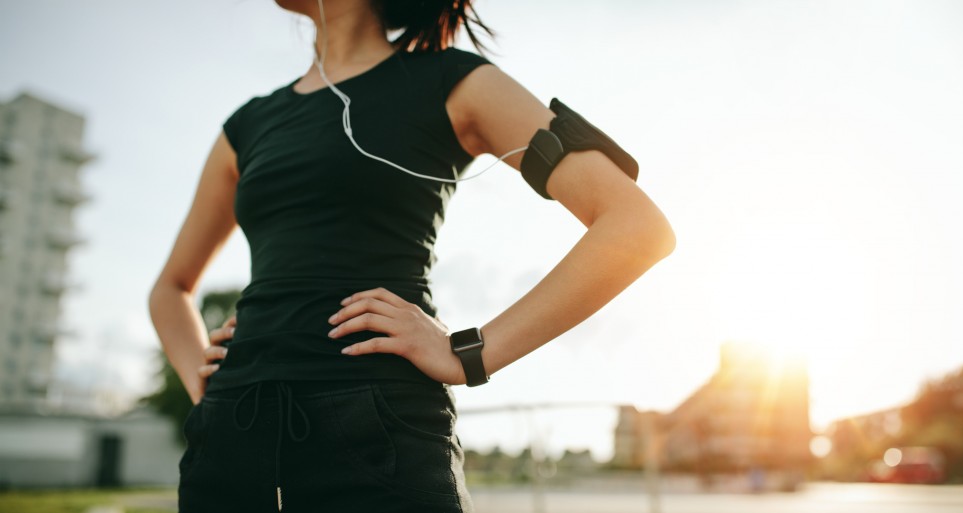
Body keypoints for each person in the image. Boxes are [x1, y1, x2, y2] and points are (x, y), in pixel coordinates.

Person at [147, 0, 675, 511]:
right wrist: (202, 376)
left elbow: (635, 226)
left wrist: (470, 352)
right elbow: (170, 288)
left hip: (378, 427)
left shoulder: (457, 81)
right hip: (230, 434)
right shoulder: (248, 125)